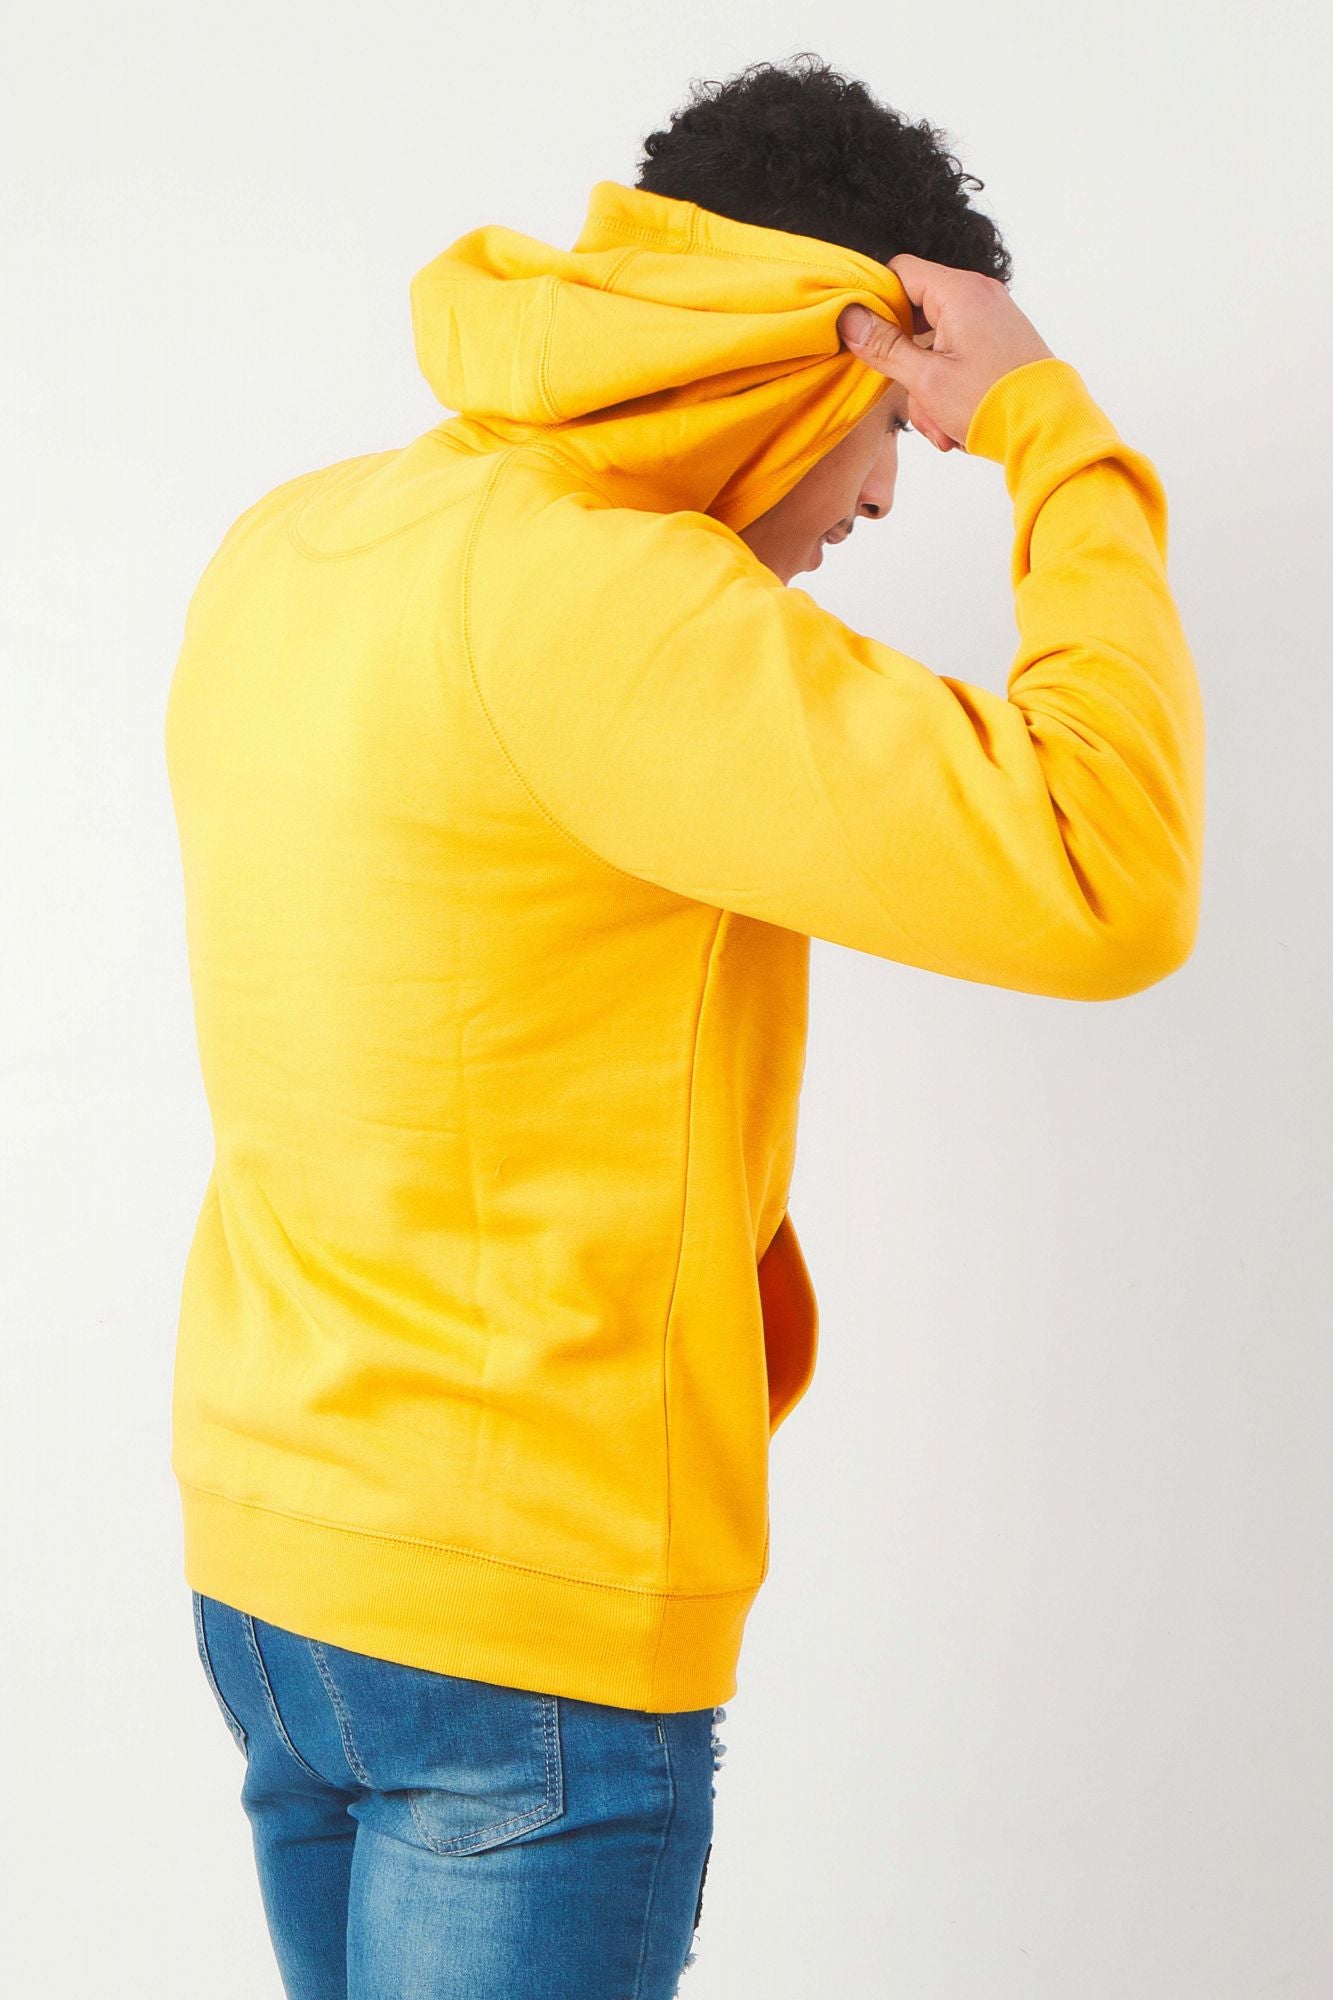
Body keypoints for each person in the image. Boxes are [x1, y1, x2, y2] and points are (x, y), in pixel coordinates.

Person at [166, 53, 1205, 2000]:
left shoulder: (302, 535)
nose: (885, 488)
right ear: (805, 355)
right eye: (883, 426)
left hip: (273, 1561)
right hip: (515, 1624)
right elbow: (1104, 874)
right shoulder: (617, 611)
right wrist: (1049, 431)